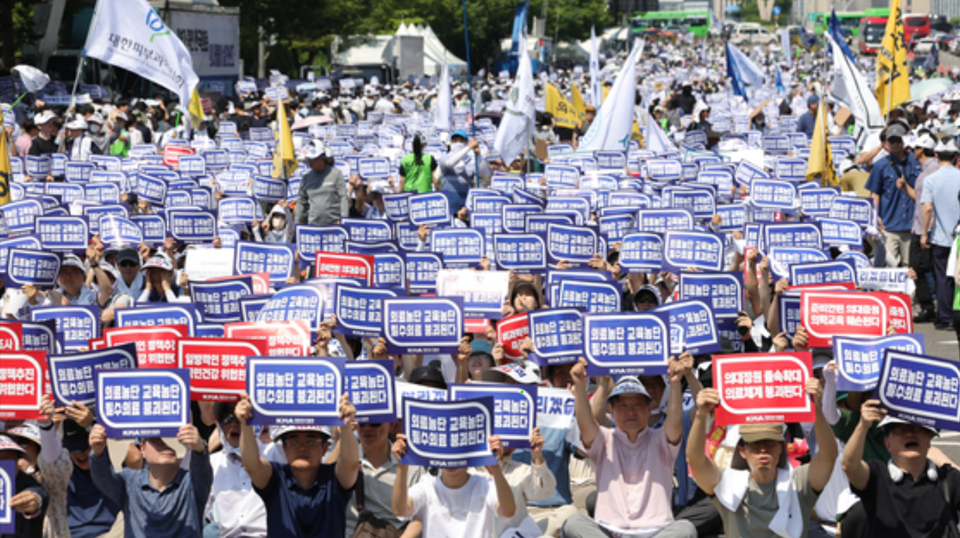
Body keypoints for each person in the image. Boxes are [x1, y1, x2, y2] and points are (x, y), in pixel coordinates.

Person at [560, 358, 697, 538]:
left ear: (649, 409)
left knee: (685, 528)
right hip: (608, 531)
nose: (630, 411)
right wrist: (579, 385)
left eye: (637, 405)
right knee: (574, 522)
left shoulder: (661, 439)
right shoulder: (604, 439)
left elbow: (675, 420)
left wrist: (675, 382)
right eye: (623, 406)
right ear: (612, 411)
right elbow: (585, 422)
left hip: (656, 532)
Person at [686, 377, 838, 538]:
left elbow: (828, 455)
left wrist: (816, 409)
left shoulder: (798, 482)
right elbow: (695, 460)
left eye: (770, 442)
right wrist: (700, 415)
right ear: (742, 450)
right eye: (755, 444)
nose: (763, 449)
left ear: (781, 447)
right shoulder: (727, 483)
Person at [234, 392, 359, 538]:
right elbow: (252, 465)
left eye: (310, 440)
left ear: (325, 448)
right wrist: (245, 424)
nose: (302, 447)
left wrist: (346, 427)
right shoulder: (276, 478)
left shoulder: (334, 479)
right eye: (294, 440)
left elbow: (350, 464)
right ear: (285, 448)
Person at [842, 402, 960, 537]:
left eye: (916, 428)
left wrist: (944, 459)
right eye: (900, 430)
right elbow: (849, 465)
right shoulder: (877, 475)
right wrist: (862, 427)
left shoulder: (949, 478)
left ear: (929, 438)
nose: (909, 433)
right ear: (888, 444)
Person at [88, 422, 213, 538]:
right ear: (142, 449)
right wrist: (97, 452)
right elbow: (102, 477)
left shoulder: (193, 483)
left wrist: (200, 447)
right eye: (157, 438)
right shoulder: (129, 482)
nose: (166, 443)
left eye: (173, 439)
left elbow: (202, 465)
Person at [391, 433, 517, 538]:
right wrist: (402, 466)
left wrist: (495, 468)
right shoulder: (428, 485)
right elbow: (401, 510)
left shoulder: (484, 485)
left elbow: (508, 511)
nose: (451, 457)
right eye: (445, 448)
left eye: (458, 449)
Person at [203, 402, 267, 538]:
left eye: (240, 418)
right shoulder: (212, 463)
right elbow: (195, 511)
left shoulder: (273, 454)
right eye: (227, 418)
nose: (233, 423)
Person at [866, 123, 921, 268]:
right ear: (887, 144)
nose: (896, 144)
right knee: (890, 267)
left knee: (911, 268)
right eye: (892, 141)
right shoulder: (879, 165)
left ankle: (911, 292)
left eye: (898, 140)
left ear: (904, 141)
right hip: (889, 226)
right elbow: (875, 193)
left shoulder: (916, 162)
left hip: (911, 226)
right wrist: (874, 216)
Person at [921, 138, 960, 331]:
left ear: (936, 155)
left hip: (941, 237)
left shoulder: (930, 179)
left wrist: (923, 233)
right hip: (958, 237)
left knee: (943, 278)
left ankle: (946, 317)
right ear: (955, 156)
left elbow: (927, 208)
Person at [909, 133, 940, 324]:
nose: (912, 151)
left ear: (921, 150)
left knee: (924, 268)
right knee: (921, 268)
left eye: (914, 148)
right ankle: (931, 306)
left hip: (925, 227)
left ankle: (931, 307)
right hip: (919, 225)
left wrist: (925, 231)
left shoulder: (932, 170)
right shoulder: (926, 169)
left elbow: (932, 203)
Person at [0, 434, 48, 538]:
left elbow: (37, 493)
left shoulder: (26, 483)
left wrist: (33, 502)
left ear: (17, 462)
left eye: (6, 459)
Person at [294, 140, 349, 226]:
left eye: (313, 159)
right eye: (308, 158)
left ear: (322, 158)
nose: (310, 162)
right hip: (314, 226)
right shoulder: (306, 178)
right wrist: (296, 222)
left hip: (335, 225)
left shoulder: (336, 174)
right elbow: (301, 201)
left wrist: (344, 220)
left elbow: (343, 198)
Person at [439, 130, 490, 215]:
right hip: (449, 206)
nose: (458, 143)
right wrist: (469, 147)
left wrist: (479, 156)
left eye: (461, 140)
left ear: (466, 142)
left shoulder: (471, 160)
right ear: (451, 142)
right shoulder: (444, 157)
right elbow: (450, 164)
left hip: (466, 206)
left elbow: (484, 174)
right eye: (455, 140)